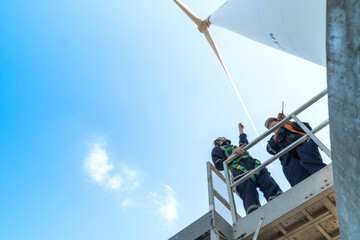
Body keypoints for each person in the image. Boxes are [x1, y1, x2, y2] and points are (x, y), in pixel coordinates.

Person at [211, 123, 282, 215]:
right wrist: (233, 154)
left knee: (269, 184)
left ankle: (280, 202)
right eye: (221, 139)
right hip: (239, 170)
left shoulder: (235, 147)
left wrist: (241, 131)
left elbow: (244, 144)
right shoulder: (217, 150)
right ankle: (255, 216)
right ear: (219, 142)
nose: (224, 140)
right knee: (249, 195)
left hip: (254, 165)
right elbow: (219, 165)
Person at [265, 113, 327, 187]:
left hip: (304, 147)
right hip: (289, 158)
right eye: (268, 125)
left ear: (278, 120)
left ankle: (326, 179)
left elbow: (307, 128)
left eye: (272, 120)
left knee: (315, 168)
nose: (270, 123)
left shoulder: (290, 126)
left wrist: (287, 121)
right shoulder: (273, 139)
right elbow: (271, 150)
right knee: (298, 180)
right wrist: (277, 133)